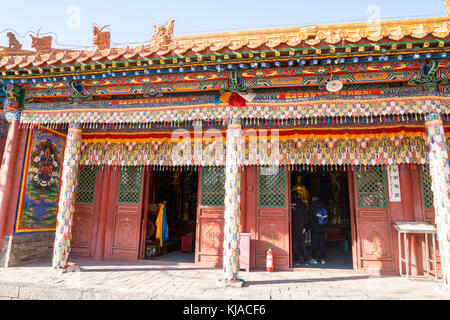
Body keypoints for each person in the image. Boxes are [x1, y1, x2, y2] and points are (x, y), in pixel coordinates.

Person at [309, 196, 328, 265]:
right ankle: (323, 259)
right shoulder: (323, 207)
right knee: (322, 243)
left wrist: (309, 226)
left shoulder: (312, 207)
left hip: (314, 229)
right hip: (322, 228)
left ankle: (314, 259)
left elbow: (310, 218)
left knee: (314, 244)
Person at [291, 192, 309, 266]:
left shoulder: (292, 205)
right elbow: (306, 217)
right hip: (302, 227)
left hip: (294, 227)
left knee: (295, 243)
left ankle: (296, 259)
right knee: (302, 243)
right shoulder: (303, 205)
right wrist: (306, 227)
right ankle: (305, 259)